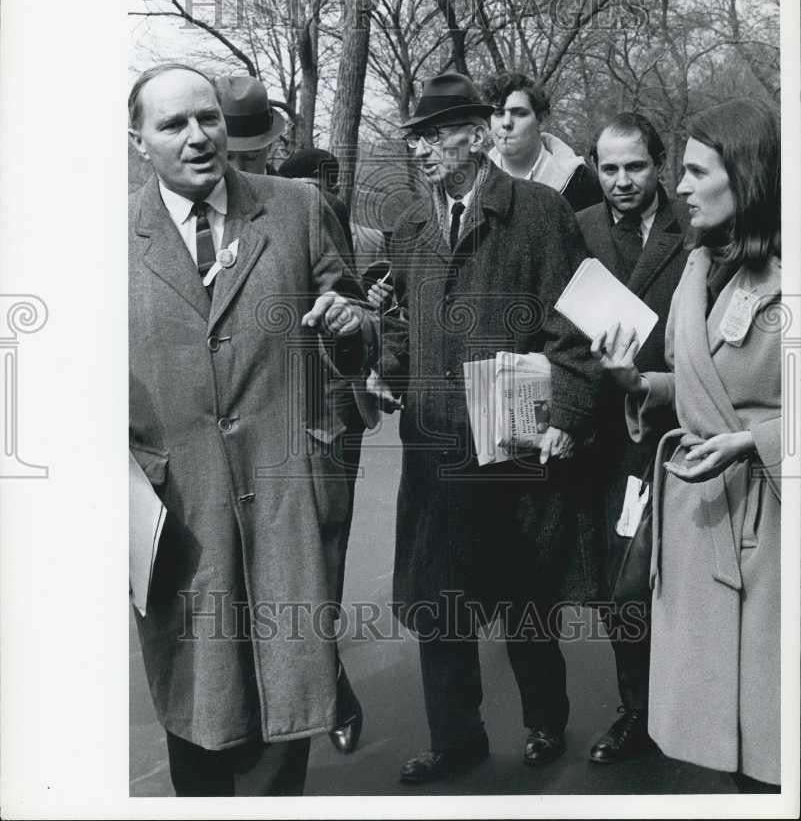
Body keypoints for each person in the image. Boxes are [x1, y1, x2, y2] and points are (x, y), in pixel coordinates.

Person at [128, 63, 373, 796]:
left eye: (207, 118)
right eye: (172, 124)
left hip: (285, 495)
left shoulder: (295, 207)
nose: (198, 136)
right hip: (179, 515)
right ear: (138, 141)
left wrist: (352, 322)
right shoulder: (99, 239)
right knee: (198, 701)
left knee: (282, 697)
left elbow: (361, 321)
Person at [377, 72, 600, 784]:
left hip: (511, 439)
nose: (422, 152)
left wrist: (565, 412)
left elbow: (577, 325)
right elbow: (403, 329)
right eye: (415, 139)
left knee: (522, 594)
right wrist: (387, 362)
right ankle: (455, 738)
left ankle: (544, 722)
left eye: (435, 136)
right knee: (439, 600)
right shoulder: (411, 225)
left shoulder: (537, 212)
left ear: (476, 137)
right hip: (434, 445)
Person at [592, 98, 781, 791]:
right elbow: (697, 382)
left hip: (771, 530)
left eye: (696, 171)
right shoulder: (700, 269)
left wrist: (751, 441)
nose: (678, 187)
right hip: (702, 514)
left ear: (745, 176)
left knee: (770, 732)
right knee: (728, 730)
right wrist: (637, 382)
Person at [576, 112, 690, 763]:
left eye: (635, 167)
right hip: (605, 438)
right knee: (617, 587)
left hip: (680, 431)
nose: (621, 181)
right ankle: (636, 713)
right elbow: (558, 328)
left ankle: (691, 708)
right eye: (609, 168)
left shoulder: (697, 231)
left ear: (659, 164)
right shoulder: (581, 230)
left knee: (683, 582)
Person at [278, 146, 367, 754]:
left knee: (321, 556)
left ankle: (328, 678)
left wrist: (334, 419)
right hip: (247, 425)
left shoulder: (317, 213)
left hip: (319, 421)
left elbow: (348, 309)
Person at [482, 71, 602, 211]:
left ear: (540, 119)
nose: (506, 123)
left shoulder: (581, 182)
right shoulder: (474, 182)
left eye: (519, 113)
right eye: (499, 113)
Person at [215, 74, 287, 175]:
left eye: (250, 158)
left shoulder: (290, 190)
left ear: (270, 146)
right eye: (228, 157)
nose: (238, 169)